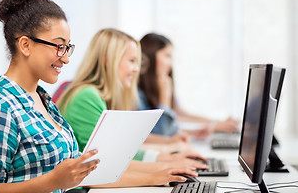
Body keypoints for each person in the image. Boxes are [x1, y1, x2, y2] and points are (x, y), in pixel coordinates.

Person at [0, 0, 100, 193]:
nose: (66, 58)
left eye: (68, 47)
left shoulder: (43, 101)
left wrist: (160, 172)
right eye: (59, 46)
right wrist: (52, 181)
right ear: (25, 45)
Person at [56, 28, 207, 188]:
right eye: (131, 61)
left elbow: (121, 154)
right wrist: (162, 169)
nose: (136, 69)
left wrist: (167, 158)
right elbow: (103, 164)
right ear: (108, 60)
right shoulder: (86, 96)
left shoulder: (100, 96)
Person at [138, 33, 239, 139]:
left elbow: (178, 114)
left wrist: (214, 123)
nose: (171, 64)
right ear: (150, 56)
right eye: (167, 56)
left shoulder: (160, 85)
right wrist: (164, 98)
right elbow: (162, 131)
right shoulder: (138, 94)